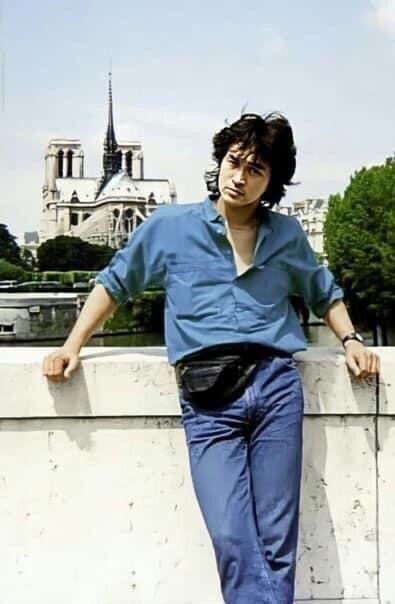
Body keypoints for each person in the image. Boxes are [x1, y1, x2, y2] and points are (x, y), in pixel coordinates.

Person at [42, 112, 380, 604]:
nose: (239, 177)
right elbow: (115, 283)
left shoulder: (285, 234)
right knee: (232, 537)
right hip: (208, 396)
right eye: (233, 162)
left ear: (272, 181)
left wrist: (350, 341)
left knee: (277, 538)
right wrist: (71, 345)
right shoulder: (171, 226)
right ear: (219, 161)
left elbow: (322, 292)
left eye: (255, 169)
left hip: (276, 386)